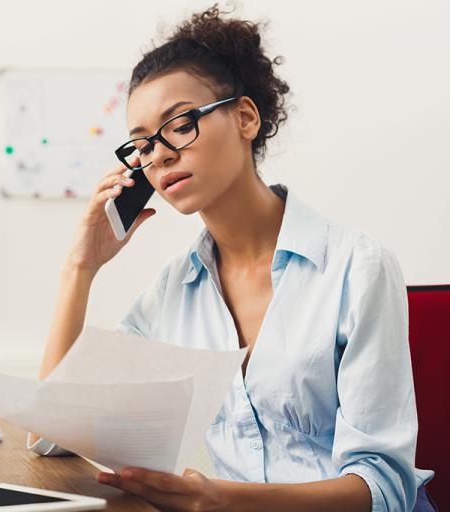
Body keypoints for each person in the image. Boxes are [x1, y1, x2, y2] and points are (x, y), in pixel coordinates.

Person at [28, 4, 436, 512]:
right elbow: (53, 430)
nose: (160, 156)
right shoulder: (176, 290)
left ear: (245, 117)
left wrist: (219, 500)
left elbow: (384, 490)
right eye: (142, 144)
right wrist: (80, 268)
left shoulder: (358, 265)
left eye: (179, 125)